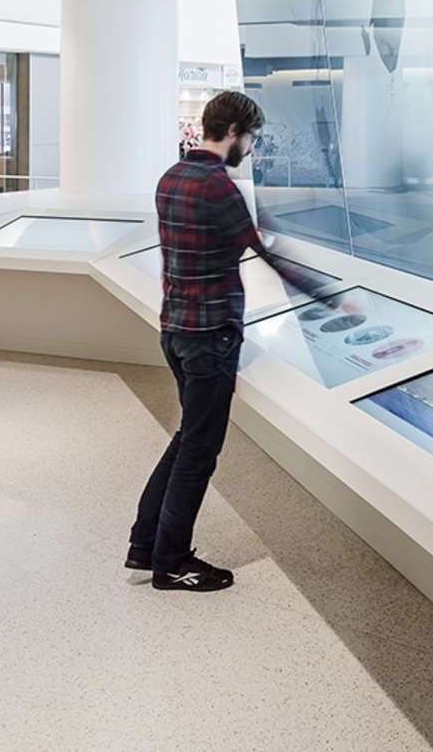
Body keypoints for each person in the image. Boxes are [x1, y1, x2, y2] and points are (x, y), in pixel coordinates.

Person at [127, 90, 341, 593]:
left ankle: (145, 545)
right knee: (200, 451)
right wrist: (332, 298)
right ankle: (172, 561)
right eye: (251, 138)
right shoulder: (221, 188)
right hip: (211, 337)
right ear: (233, 134)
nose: (251, 147)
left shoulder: (171, 178)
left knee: (187, 438)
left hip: (175, 330)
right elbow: (265, 256)